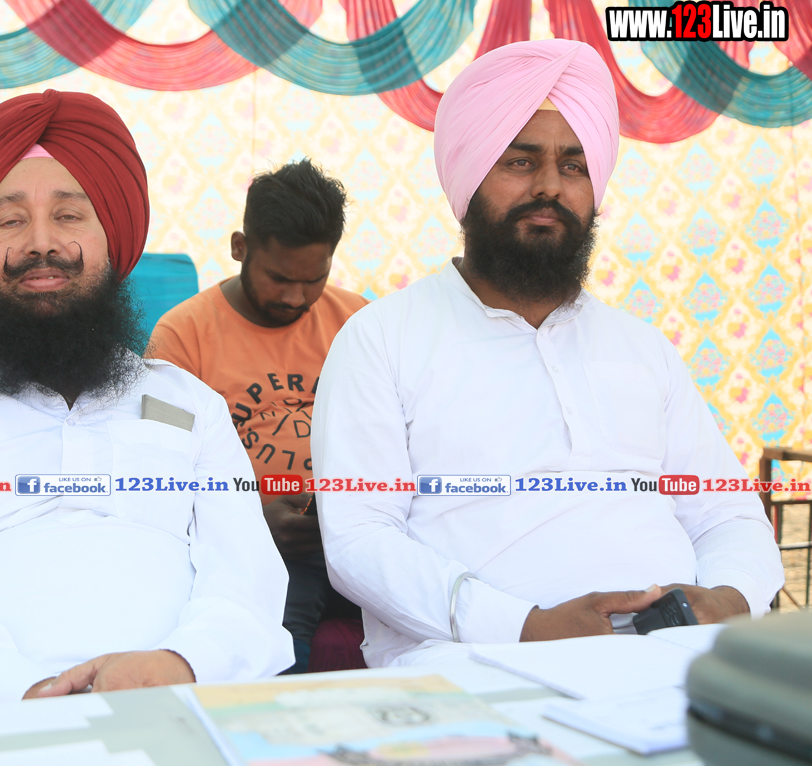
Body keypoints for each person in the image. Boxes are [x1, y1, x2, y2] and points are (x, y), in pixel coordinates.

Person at [0, 89, 294, 711]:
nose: (41, 243)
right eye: (10, 220)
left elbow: (249, 581)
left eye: (69, 216)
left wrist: (181, 663)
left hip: (169, 711)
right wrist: (19, 690)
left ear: (114, 239)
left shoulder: (192, 407)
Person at [311, 40, 784, 668]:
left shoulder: (642, 348)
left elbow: (727, 512)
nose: (549, 187)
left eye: (574, 166)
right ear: (470, 175)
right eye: (520, 161)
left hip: (672, 663)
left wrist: (729, 598)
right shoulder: (381, 339)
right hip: (475, 669)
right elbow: (359, 539)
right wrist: (526, 627)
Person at [148, 160, 365, 672]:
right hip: (255, 540)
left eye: (314, 279)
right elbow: (159, 469)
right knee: (278, 629)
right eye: (279, 278)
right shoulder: (181, 336)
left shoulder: (358, 322)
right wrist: (250, 517)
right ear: (240, 247)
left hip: (361, 529)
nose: (296, 297)